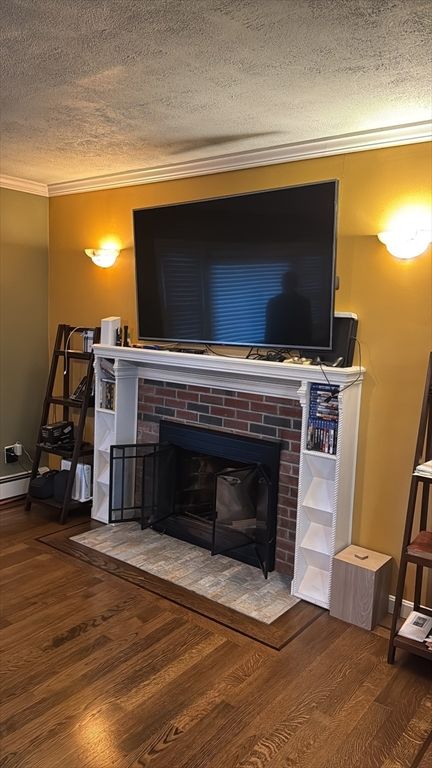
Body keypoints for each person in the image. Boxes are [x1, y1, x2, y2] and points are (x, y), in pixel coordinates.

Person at [265, 269, 312, 346]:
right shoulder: (304, 302)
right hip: (284, 344)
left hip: (296, 344)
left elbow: (308, 328)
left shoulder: (273, 302)